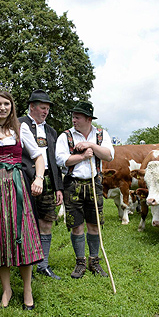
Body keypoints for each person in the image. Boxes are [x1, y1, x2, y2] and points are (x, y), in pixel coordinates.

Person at [0, 91, 44, 310]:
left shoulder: (21, 129)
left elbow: (38, 156)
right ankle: (7, 289)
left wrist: (39, 178)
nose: (2, 107)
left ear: (12, 106)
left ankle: (27, 289)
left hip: (16, 184)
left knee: (21, 234)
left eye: (6, 103)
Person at [55, 100, 114, 279]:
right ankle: (80, 261)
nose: (74, 120)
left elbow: (109, 156)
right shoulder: (65, 136)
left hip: (94, 183)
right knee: (76, 225)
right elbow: (61, 160)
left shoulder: (101, 135)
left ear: (88, 119)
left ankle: (94, 261)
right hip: (73, 184)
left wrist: (92, 146)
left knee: (94, 224)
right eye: (73, 117)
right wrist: (81, 156)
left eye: (77, 117)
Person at [18, 90, 63, 280]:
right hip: (25, 179)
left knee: (46, 221)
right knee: (25, 223)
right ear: (32, 107)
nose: (45, 112)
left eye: (47, 109)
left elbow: (54, 161)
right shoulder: (18, 124)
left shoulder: (51, 131)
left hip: (46, 180)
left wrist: (58, 187)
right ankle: (24, 265)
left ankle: (42, 265)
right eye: (43, 108)